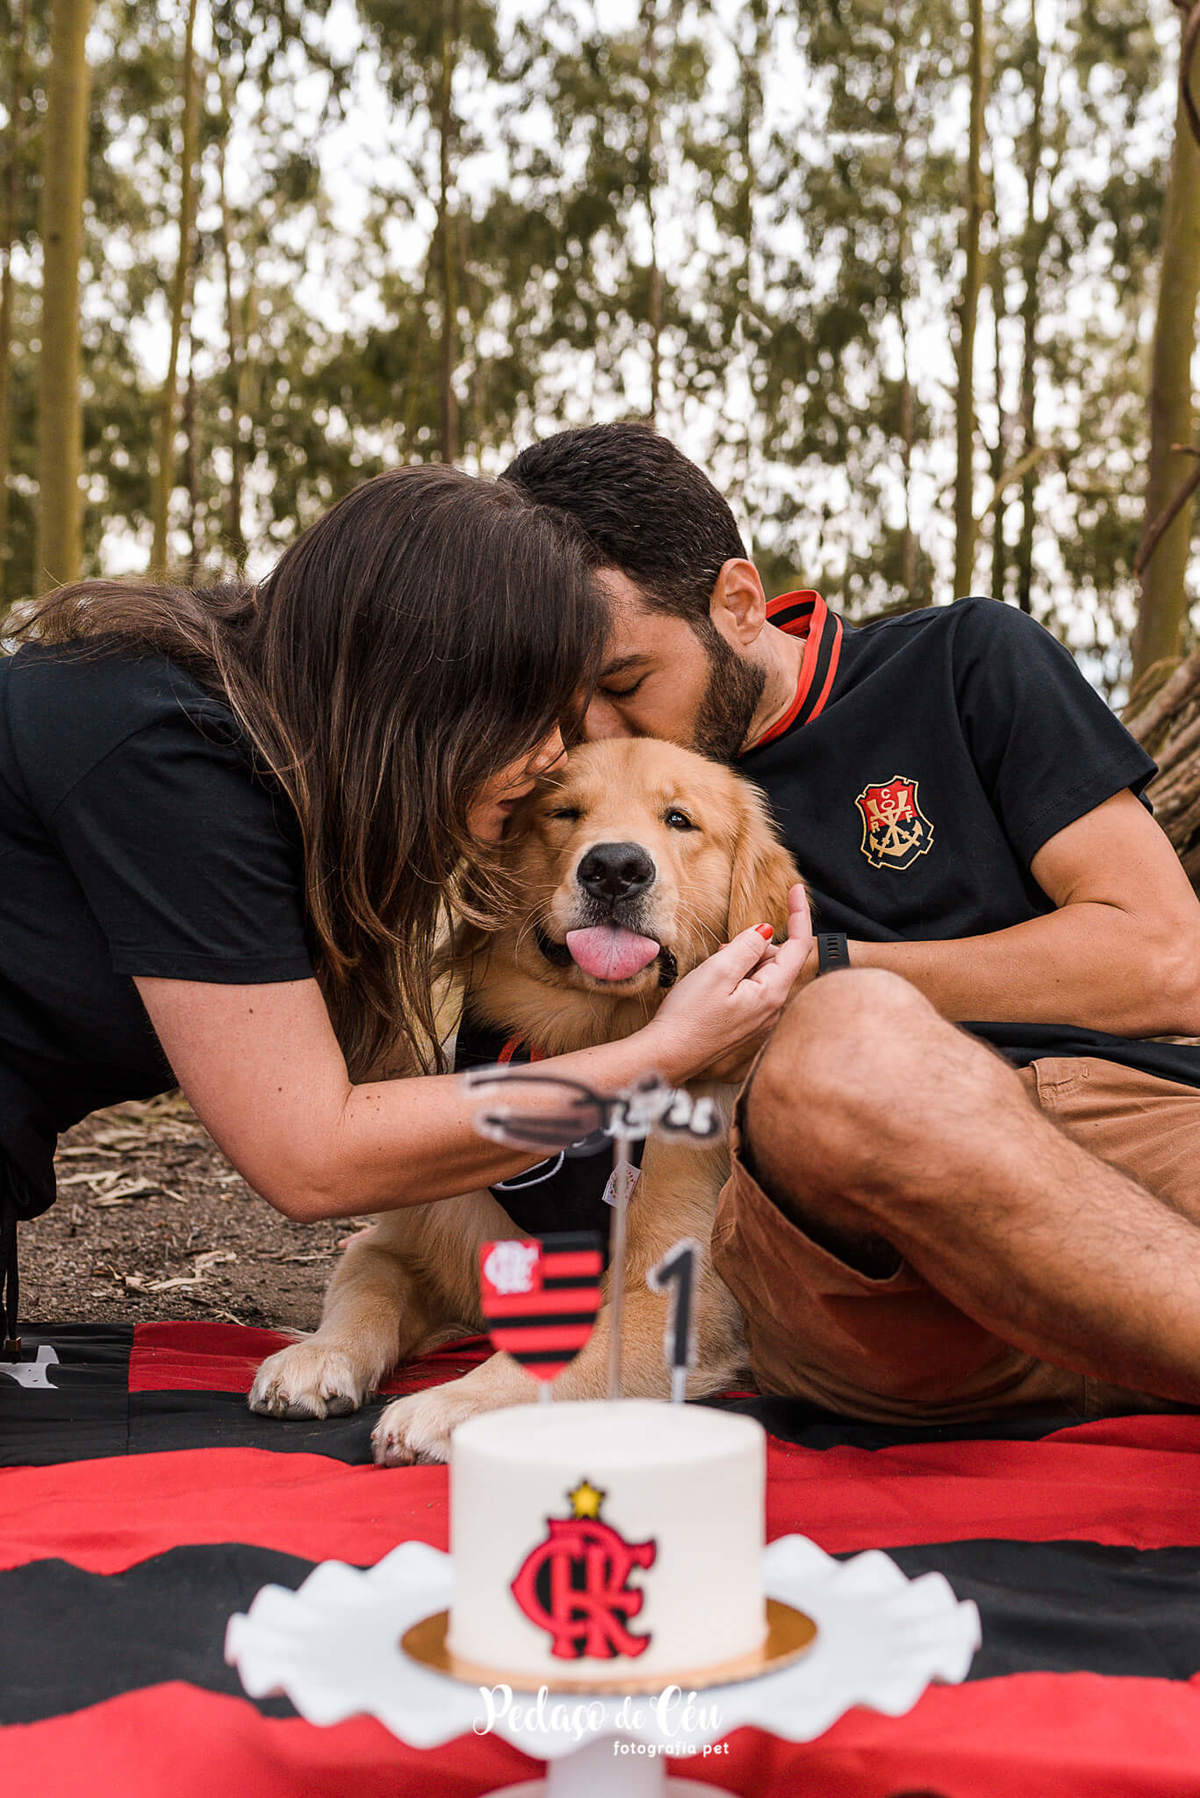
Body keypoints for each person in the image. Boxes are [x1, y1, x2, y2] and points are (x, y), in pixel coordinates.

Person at [0, 464, 810, 1360]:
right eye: (529, 710)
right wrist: (664, 1054)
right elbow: (312, 1157)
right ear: (419, 690)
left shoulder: (281, 783)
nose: (554, 754)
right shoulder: (169, 756)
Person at [503, 421, 1200, 1421]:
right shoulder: (572, 816)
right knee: (840, 1051)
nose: (601, 736)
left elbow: (1169, 958)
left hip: (1122, 1115)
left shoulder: (963, 661)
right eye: (573, 710)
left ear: (738, 603)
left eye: (624, 684)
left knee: (845, 1019)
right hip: (853, 1252)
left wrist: (827, 970)